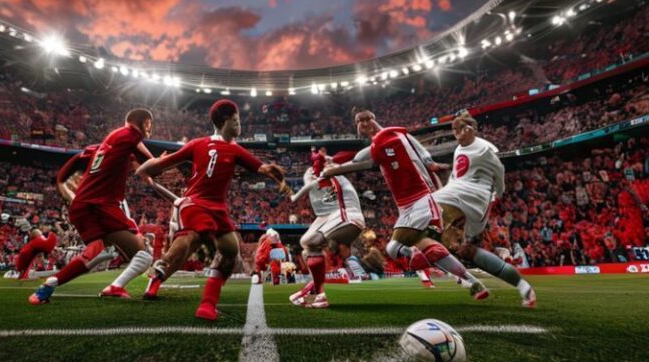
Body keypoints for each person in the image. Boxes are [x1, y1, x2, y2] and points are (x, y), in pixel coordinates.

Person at [136, 99, 289, 320]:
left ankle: (207, 303)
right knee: (188, 241)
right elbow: (164, 163)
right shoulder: (197, 144)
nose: (239, 125)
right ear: (225, 121)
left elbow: (261, 167)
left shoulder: (235, 150)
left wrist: (273, 172)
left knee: (230, 251)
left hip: (218, 209)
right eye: (236, 120)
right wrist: (145, 170)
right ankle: (156, 279)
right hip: (195, 202)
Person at [323, 110, 489, 300]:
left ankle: (414, 254)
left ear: (369, 121)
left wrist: (332, 171)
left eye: (361, 121)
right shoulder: (397, 134)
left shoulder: (384, 140)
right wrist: (431, 163)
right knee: (424, 249)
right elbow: (366, 155)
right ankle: (472, 282)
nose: (360, 125)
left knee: (395, 247)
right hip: (411, 204)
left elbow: (362, 162)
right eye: (358, 121)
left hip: (418, 200)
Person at [29, 109, 156, 304]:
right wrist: (159, 164)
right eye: (149, 124)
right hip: (101, 205)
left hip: (82, 205)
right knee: (143, 255)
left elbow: (73, 164)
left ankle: (47, 287)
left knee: (97, 248)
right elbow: (148, 160)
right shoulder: (129, 134)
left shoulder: (100, 148)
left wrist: (62, 184)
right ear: (145, 122)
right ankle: (114, 287)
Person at [433, 111, 536, 307]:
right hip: (460, 204)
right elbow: (457, 176)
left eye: (459, 128)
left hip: (472, 206)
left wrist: (498, 193)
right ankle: (522, 287)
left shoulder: (483, 150)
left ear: (469, 128)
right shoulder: (458, 151)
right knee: (461, 249)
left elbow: (498, 171)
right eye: (453, 129)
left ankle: (470, 280)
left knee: (445, 241)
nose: (455, 133)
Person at [288, 152, 365, 308]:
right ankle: (316, 290)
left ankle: (320, 293)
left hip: (347, 212)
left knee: (314, 242)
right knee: (306, 245)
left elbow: (351, 162)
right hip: (328, 216)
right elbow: (311, 181)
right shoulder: (312, 177)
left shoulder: (332, 171)